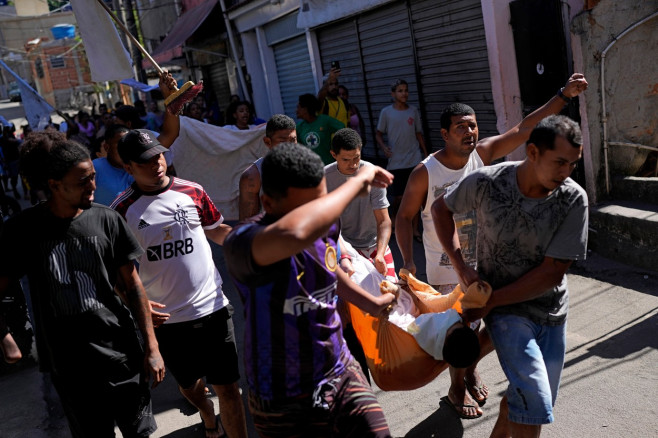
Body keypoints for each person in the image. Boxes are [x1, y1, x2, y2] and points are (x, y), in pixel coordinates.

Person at [395, 73, 588, 419]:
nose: (470, 133)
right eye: (460, 128)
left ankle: (468, 370)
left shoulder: (481, 156)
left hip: (484, 264)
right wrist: (408, 260)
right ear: (444, 134)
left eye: (472, 126)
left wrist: (563, 95)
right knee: (456, 334)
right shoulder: (426, 172)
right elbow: (404, 216)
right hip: (445, 268)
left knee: (480, 327)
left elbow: (525, 130)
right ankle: (456, 389)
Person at [223, 142, 396, 437]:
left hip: (339, 370)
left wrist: (372, 303)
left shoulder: (325, 224)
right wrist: (357, 183)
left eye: (319, 202)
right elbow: (297, 232)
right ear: (268, 203)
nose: (318, 214)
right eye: (306, 206)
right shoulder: (243, 242)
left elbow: (327, 267)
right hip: (280, 394)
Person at [432, 115, 588, 437]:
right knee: (534, 398)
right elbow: (440, 209)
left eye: (573, 164)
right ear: (532, 153)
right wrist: (461, 267)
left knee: (522, 401)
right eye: (559, 162)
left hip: (550, 309)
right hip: (506, 311)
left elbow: (551, 273)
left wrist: (489, 302)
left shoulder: (573, 199)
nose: (566, 172)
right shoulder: (488, 182)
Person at [0, 136, 165, 437]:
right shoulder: (23, 230)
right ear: (54, 184)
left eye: (93, 177)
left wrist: (151, 346)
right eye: (81, 181)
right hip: (70, 366)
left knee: (139, 433)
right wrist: (5, 335)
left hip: (122, 355)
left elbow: (132, 284)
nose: (92, 186)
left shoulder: (107, 220)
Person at [112, 129, 247, 438]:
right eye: (145, 161)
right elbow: (113, 272)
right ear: (129, 167)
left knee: (229, 388)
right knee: (190, 386)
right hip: (168, 323)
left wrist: (253, 242)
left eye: (158, 155)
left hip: (213, 308)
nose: (156, 163)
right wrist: (138, 303)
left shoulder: (192, 191)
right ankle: (204, 409)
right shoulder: (120, 211)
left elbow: (216, 229)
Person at [94, 72, 180, 205]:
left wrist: (169, 97)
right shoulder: (95, 168)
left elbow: (171, 134)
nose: (127, 150)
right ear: (106, 147)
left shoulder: (142, 158)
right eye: (120, 145)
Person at [325, 128, 395, 280]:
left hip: (376, 246)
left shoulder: (371, 173)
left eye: (356, 158)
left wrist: (381, 254)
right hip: (345, 249)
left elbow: (383, 221)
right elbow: (326, 225)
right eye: (346, 160)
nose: (353, 164)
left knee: (392, 290)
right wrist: (344, 256)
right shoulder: (323, 179)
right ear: (333, 155)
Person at [375, 79, 428, 228]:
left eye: (406, 90)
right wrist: (384, 147)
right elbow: (378, 134)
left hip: (414, 158)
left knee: (416, 195)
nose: (404, 93)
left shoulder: (413, 111)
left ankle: (415, 229)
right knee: (398, 197)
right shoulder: (386, 112)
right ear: (393, 94)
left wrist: (425, 154)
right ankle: (394, 220)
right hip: (396, 161)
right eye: (400, 91)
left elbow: (418, 133)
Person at [238, 114, 297, 220]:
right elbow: (248, 226)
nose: (290, 147)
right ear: (268, 142)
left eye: (293, 141)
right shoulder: (254, 176)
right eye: (282, 142)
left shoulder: (307, 166)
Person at [296, 93, 345, 165]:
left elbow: (342, 128)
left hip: (330, 165)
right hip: (313, 168)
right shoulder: (299, 127)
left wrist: (338, 147)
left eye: (298, 107)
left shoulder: (324, 120)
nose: (296, 110)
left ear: (306, 109)